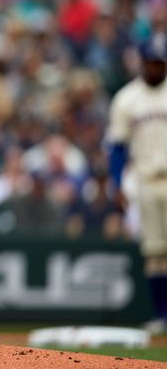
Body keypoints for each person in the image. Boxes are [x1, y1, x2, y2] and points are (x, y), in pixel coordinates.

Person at [107, 35, 167, 333]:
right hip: (146, 179)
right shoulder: (127, 98)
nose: (156, 68)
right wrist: (117, 184)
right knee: (155, 252)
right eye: (152, 62)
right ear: (142, 63)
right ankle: (161, 315)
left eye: (160, 62)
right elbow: (117, 147)